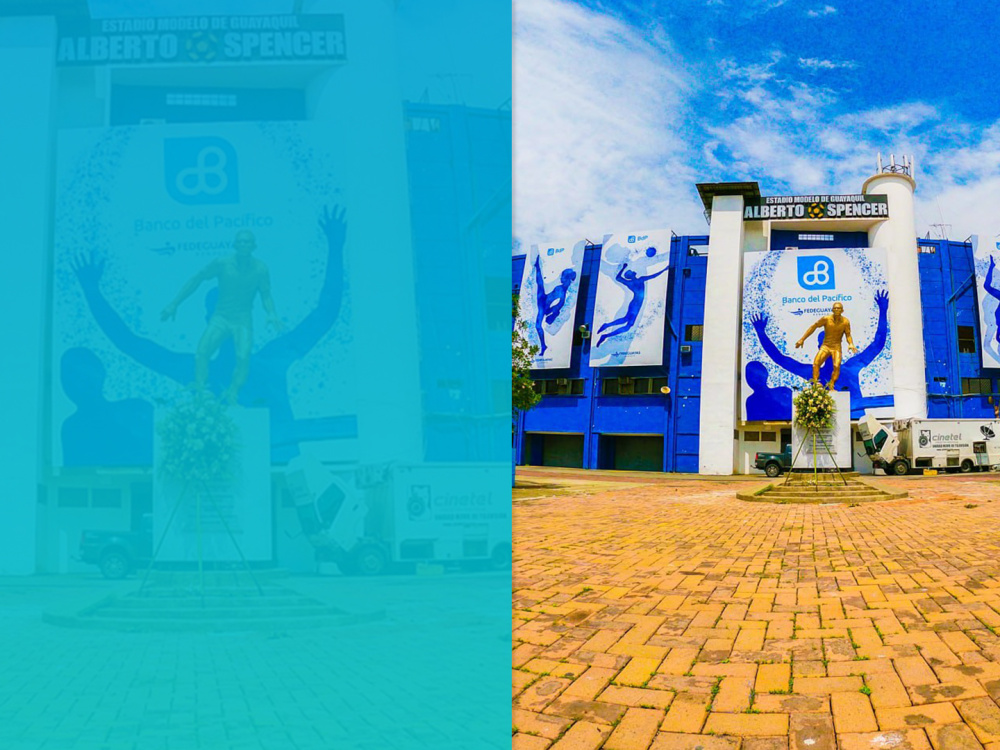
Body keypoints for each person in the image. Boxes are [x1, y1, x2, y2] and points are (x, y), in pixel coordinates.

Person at [69, 205, 354, 462]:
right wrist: (92, 292)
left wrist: (336, 246)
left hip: (282, 480)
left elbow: (325, 314)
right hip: (223, 486)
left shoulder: (272, 361)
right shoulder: (199, 371)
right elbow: (131, 344)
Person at [161, 229, 282, 403]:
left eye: (247, 241)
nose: (243, 244)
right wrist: (174, 303)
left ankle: (232, 393)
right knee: (201, 353)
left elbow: (266, 294)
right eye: (240, 241)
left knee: (243, 358)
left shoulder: (260, 269)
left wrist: (271, 313)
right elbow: (197, 278)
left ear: (254, 246)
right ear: (234, 245)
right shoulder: (222, 263)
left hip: (242, 320)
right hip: (221, 317)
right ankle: (201, 392)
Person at [749, 290, 891, 418]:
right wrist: (761, 333)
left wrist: (883, 310)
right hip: (826, 429)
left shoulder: (851, 368)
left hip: (855, 426)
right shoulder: (813, 373)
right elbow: (780, 359)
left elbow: (877, 345)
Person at [596, 258, 668, 348]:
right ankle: (606, 329)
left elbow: (618, 278)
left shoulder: (630, 282)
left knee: (626, 322)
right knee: (627, 323)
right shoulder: (639, 280)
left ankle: (606, 331)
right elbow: (654, 276)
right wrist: (664, 270)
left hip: (635, 304)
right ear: (631, 275)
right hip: (636, 305)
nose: (633, 271)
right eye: (631, 271)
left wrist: (623, 268)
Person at [796, 302, 857, 391]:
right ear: (832, 310)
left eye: (838, 308)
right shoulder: (826, 319)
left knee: (836, 366)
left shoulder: (845, 321)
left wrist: (851, 343)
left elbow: (848, 334)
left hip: (836, 347)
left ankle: (831, 384)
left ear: (842, 310)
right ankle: (816, 384)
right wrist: (802, 339)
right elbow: (813, 326)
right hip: (826, 346)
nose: (836, 310)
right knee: (816, 364)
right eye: (835, 308)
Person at [533, 255, 577, 355]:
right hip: (544, 300)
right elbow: (557, 305)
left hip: (543, 306)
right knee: (539, 283)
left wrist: (551, 313)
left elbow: (558, 306)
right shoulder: (562, 289)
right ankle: (537, 266)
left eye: (563, 277)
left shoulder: (563, 293)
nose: (561, 279)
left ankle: (543, 346)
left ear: (568, 279)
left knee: (538, 326)